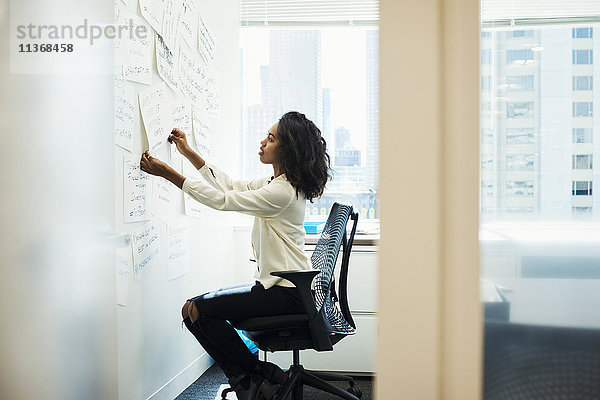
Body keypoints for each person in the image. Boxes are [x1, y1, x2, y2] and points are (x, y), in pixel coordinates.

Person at [139, 111, 331, 400]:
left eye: (271, 138)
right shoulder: (276, 183)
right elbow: (229, 186)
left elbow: (223, 201)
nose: (263, 142)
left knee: (196, 311)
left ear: (287, 149)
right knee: (193, 310)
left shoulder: (282, 192)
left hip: (287, 292)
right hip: (280, 286)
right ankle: (253, 379)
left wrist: (167, 173)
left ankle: (256, 378)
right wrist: (189, 153)